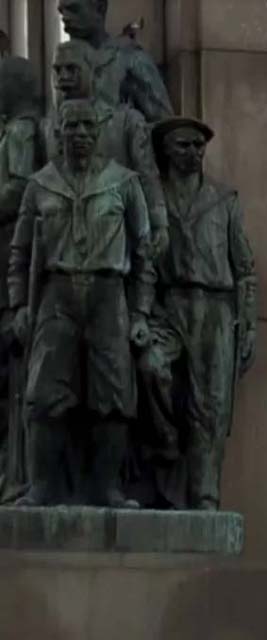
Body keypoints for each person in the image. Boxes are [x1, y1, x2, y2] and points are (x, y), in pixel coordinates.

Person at [8, 99, 153, 507]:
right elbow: (19, 254)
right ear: (59, 133)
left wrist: (140, 312)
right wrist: (20, 305)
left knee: (113, 393)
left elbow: (144, 254)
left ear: (101, 131)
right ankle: (41, 487)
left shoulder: (123, 182)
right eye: (72, 127)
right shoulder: (40, 184)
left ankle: (108, 487)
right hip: (57, 293)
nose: (82, 134)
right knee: (45, 391)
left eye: (89, 126)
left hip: (109, 294)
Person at [138, 117, 256, 510]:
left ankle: (205, 496)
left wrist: (249, 324)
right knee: (150, 369)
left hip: (216, 309)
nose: (193, 153)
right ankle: (165, 445)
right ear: (166, 151)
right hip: (168, 307)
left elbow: (244, 269)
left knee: (211, 406)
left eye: (198, 146)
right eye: (184, 145)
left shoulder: (224, 199)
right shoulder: (153, 200)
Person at [46, 40, 168, 256]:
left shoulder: (127, 121)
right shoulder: (47, 126)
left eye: (72, 69)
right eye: (58, 70)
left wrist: (159, 223)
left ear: (92, 72)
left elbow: (148, 175)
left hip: (116, 240)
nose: (63, 77)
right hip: (61, 245)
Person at [0, 57, 44, 502]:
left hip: (11, 265)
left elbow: (16, 189)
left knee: (16, 374)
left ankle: (19, 474)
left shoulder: (20, 132)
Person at [58, 0, 172, 122]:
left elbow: (164, 124)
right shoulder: (61, 64)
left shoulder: (130, 58)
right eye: (62, 12)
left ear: (100, 8)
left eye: (74, 9)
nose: (65, 18)